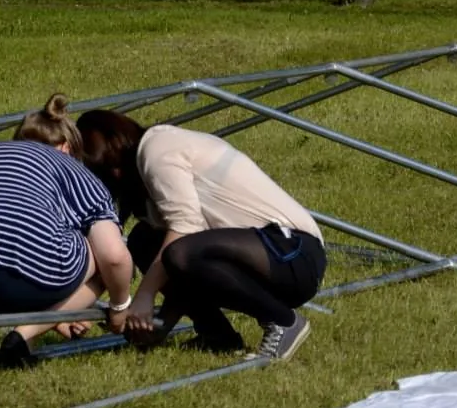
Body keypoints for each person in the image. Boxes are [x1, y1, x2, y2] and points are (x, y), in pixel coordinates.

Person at [75, 110, 326, 361]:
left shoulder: (158, 150)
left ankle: (283, 322)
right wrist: (159, 323)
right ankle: (217, 336)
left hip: (294, 252)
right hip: (262, 253)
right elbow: (179, 265)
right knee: (144, 240)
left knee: (180, 251)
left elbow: (186, 229)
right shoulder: (144, 177)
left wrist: (144, 296)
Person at [0, 131, 135, 368]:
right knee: (103, 257)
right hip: (27, 282)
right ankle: (24, 334)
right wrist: (119, 308)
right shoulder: (76, 171)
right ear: (65, 147)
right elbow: (114, 257)